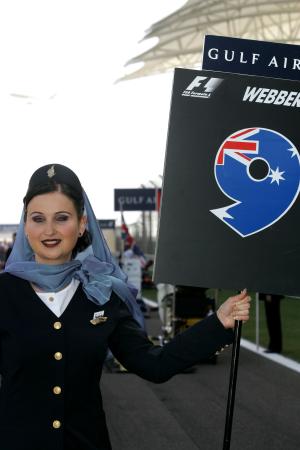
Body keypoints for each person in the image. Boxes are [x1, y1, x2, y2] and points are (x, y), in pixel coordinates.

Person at [0, 163, 251, 450]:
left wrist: (218, 323)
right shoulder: (4, 294)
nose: (49, 230)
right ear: (25, 225)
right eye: (38, 219)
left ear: (82, 224)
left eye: (61, 218)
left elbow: (154, 364)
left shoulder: (103, 294)